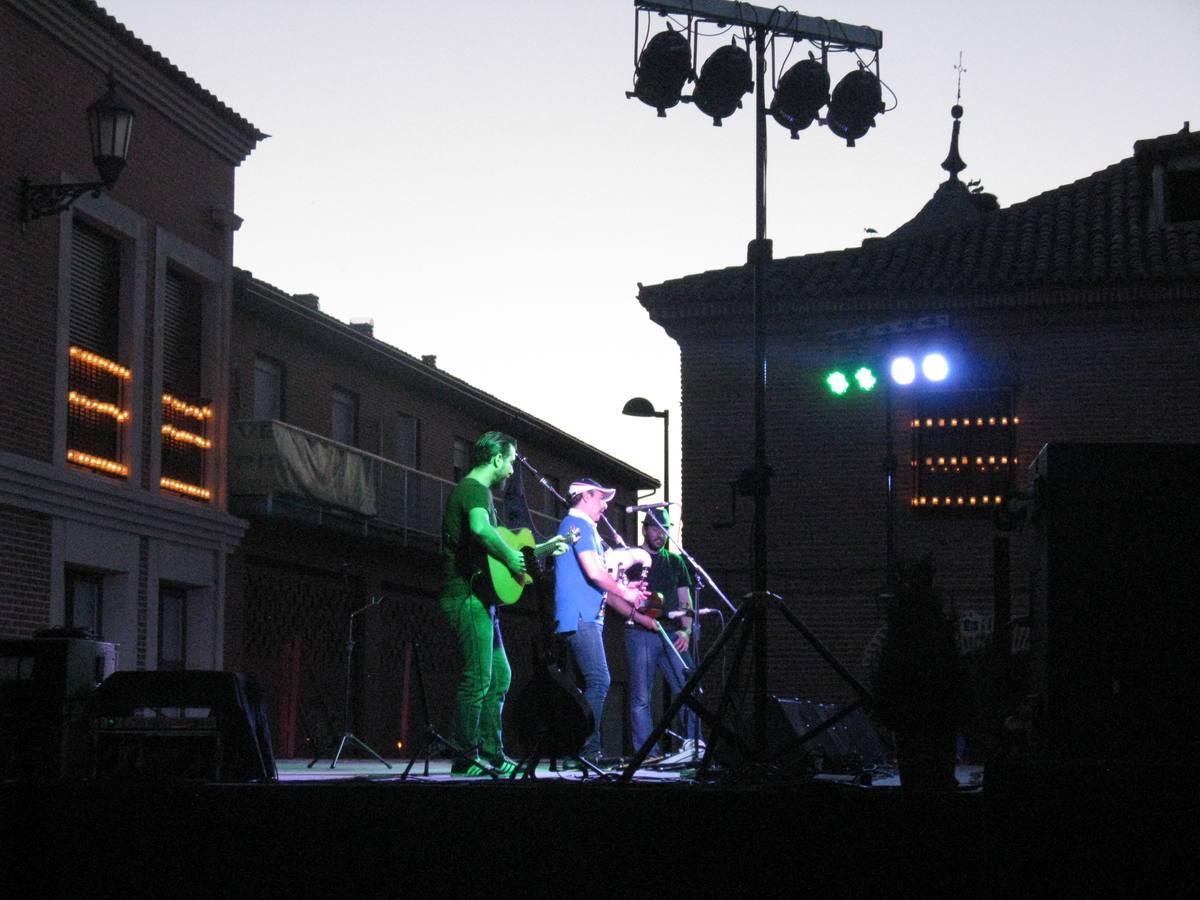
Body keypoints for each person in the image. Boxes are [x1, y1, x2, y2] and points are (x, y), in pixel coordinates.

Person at [438, 431, 568, 776]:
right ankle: (465, 759)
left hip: (482, 599)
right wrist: (512, 556)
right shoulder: (473, 490)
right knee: (480, 678)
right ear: (496, 459)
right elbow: (482, 531)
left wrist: (542, 550)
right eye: (510, 461)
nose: (512, 470)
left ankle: (493, 756)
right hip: (466, 597)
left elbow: (499, 556)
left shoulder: (481, 494)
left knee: (500, 677)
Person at [554, 478, 654, 765]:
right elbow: (595, 574)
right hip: (580, 614)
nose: (606, 504)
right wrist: (625, 590)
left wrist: (630, 598)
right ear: (585, 497)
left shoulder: (589, 532)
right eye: (601, 498)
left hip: (588, 615)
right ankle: (586, 750)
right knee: (600, 679)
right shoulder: (579, 525)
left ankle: (585, 748)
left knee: (594, 681)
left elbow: (605, 588)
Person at [625, 507, 703, 766]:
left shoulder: (675, 561)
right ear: (645, 528)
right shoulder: (631, 559)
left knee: (689, 689)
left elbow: (686, 599)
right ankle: (649, 754)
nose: (661, 534)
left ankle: (693, 748)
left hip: (672, 633)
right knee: (641, 698)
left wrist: (687, 629)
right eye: (657, 528)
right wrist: (641, 617)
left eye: (666, 528)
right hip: (641, 633)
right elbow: (619, 596)